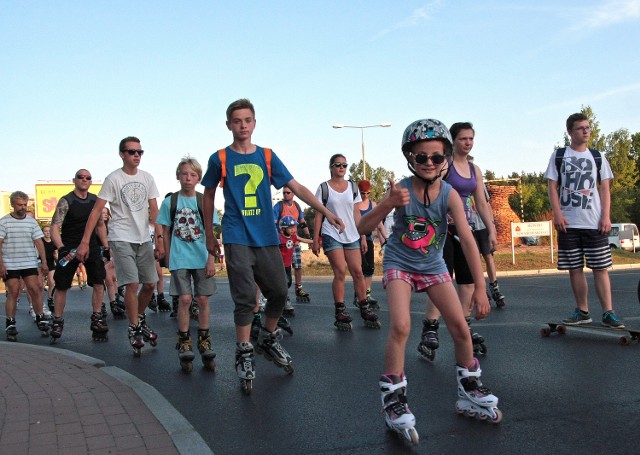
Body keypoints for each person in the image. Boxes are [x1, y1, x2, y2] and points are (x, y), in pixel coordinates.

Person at [358, 118, 502, 444]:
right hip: (399, 262)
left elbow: (466, 239)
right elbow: (363, 228)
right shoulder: (400, 189)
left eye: (436, 157)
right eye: (421, 157)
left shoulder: (449, 194)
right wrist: (386, 204)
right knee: (400, 327)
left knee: (460, 327)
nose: (428, 163)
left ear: (446, 159)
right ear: (410, 157)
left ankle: (469, 387)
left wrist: (480, 287)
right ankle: (393, 398)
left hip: (433, 265)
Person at [202, 98, 344, 394]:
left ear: (254, 123)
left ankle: (266, 337)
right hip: (236, 234)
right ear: (228, 124)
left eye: (247, 120)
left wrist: (327, 211)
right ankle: (243, 352)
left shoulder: (267, 157)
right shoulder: (220, 158)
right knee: (244, 298)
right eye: (236, 121)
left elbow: (298, 187)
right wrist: (209, 235)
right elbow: (208, 196)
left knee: (279, 292)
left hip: (267, 236)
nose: (242, 125)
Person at [76, 136, 164, 356]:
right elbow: (96, 211)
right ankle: (134, 327)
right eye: (132, 151)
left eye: (139, 152)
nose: (136, 155)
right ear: (122, 154)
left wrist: (160, 239)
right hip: (121, 236)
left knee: (151, 284)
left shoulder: (147, 178)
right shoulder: (113, 178)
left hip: (143, 238)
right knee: (132, 284)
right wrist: (85, 241)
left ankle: (139, 318)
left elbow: (155, 210)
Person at [418, 122, 498, 360]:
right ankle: (430, 327)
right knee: (441, 279)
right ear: (453, 142)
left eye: (471, 138)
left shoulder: (475, 169)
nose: (468, 142)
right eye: (463, 138)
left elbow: (481, 202)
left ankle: (464, 324)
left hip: (467, 228)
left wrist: (491, 229)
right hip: (442, 230)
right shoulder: (446, 164)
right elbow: (430, 186)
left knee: (468, 281)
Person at [544, 112, 623, 327]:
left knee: (600, 268)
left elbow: (605, 188)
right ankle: (582, 311)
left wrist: (605, 216)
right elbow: (552, 186)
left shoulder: (597, 157)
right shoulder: (560, 155)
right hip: (569, 223)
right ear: (570, 132)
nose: (586, 131)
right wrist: (557, 213)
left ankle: (608, 312)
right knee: (575, 268)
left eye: (587, 127)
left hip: (594, 222)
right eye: (580, 128)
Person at [157, 156, 217, 372]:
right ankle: (184, 340)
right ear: (178, 176)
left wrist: (211, 259)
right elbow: (164, 229)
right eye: (184, 174)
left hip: (202, 257)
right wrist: (167, 255)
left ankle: (204, 337)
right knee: (184, 299)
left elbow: (213, 232)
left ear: (199, 178)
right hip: (180, 257)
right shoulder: (170, 202)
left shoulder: (204, 201)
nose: (188, 178)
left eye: (192, 175)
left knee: (202, 299)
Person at [312, 154, 381, 331]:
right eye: (338, 165)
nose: (341, 168)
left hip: (352, 234)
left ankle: (364, 307)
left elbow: (356, 213)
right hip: (331, 232)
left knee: (358, 272)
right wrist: (315, 239)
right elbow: (319, 213)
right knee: (340, 271)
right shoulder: (324, 188)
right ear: (331, 167)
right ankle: (340, 310)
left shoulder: (353, 187)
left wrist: (363, 235)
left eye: (344, 165)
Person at [49, 169, 110, 341]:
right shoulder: (66, 201)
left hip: (91, 246)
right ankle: (57, 320)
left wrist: (105, 247)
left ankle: (97, 317)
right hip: (69, 247)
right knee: (62, 285)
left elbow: (100, 226)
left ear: (91, 182)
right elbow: (55, 227)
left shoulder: (95, 201)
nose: (84, 180)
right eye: (80, 177)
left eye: (88, 178)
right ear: (74, 180)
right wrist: (61, 248)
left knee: (99, 281)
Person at [0, 191, 50, 341]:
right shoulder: (4, 222)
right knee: (14, 292)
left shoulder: (31, 222)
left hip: (29, 261)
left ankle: (40, 317)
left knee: (35, 289)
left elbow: (39, 242)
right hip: (11, 263)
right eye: (19, 205)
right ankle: (10, 323)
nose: (22, 207)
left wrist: (44, 262)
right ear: (12, 205)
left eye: (24, 204)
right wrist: (1, 264)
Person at [273, 185, 311, 307]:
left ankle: (298, 288)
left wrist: (309, 237)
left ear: (293, 193)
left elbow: (302, 222)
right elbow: (273, 223)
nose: (285, 195)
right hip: (283, 242)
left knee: (297, 266)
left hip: (295, 240)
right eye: (284, 193)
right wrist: (276, 239)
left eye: (288, 193)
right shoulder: (278, 206)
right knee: (283, 268)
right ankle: (283, 293)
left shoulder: (297, 206)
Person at [355, 179, 387, 309]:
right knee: (360, 269)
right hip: (356, 239)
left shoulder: (372, 205)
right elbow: (358, 224)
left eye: (367, 193)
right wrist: (362, 239)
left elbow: (379, 223)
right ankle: (359, 295)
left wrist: (386, 240)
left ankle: (367, 294)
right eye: (362, 193)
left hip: (368, 238)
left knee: (370, 269)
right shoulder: (355, 205)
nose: (365, 196)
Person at [101, 207, 125, 318]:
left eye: (106, 213)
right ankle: (104, 304)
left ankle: (114, 301)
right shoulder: (95, 227)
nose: (105, 215)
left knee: (112, 279)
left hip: (110, 253)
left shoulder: (111, 226)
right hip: (100, 254)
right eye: (102, 213)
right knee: (104, 281)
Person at [42, 225, 57, 312]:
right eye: (45, 231)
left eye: (49, 231)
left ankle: (50, 299)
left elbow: (55, 253)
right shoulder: (41, 241)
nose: (47, 233)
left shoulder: (53, 242)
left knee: (52, 282)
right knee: (41, 285)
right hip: (42, 264)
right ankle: (40, 303)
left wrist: (58, 261)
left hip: (51, 264)